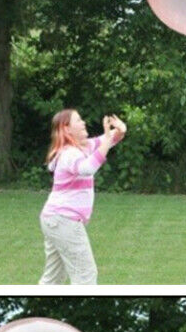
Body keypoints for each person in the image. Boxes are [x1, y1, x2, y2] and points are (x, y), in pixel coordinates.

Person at [39, 109, 127, 285]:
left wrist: (120, 131)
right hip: (64, 220)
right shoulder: (69, 153)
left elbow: (106, 141)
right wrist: (109, 139)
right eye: (78, 121)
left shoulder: (82, 147)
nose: (83, 123)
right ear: (66, 129)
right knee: (85, 275)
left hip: (55, 220)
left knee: (53, 278)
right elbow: (87, 168)